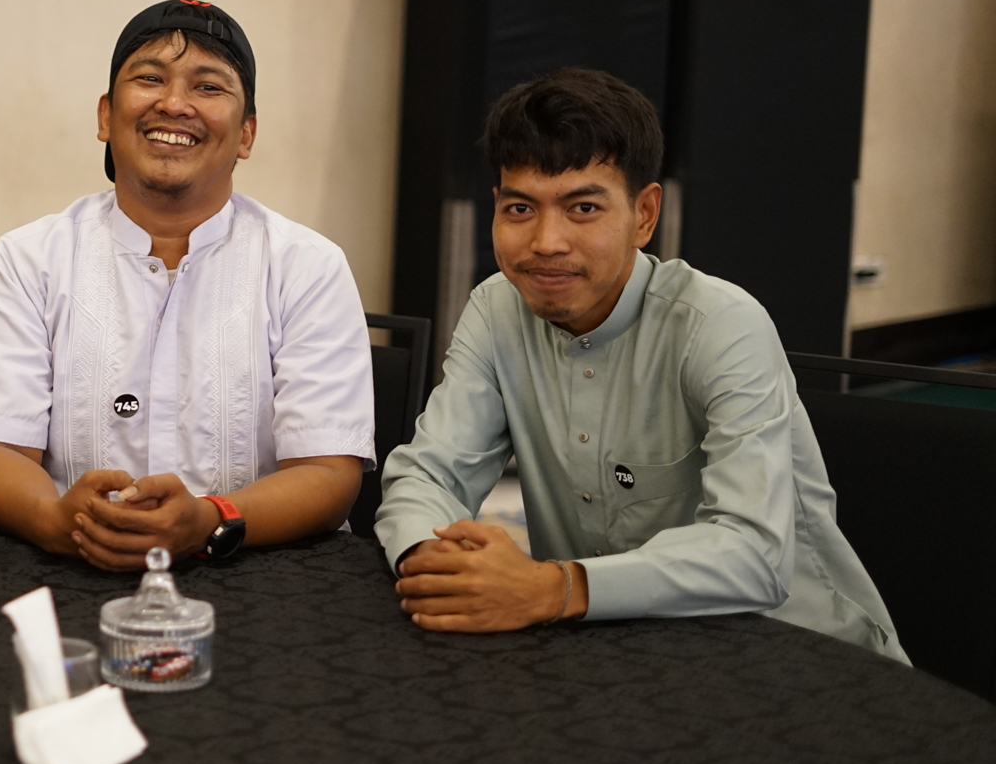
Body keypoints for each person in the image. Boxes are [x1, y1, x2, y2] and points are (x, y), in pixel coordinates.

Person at [377, 68, 905, 660]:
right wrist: (433, 559)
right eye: (521, 207)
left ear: (645, 215)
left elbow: (755, 556)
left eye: (583, 207)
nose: (546, 241)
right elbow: (428, 475)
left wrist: (555, 587)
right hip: (613, 647)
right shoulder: (497, 307)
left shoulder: (721, 324)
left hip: (797, 650)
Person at [0, 0, 375, 569]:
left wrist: (209, 520)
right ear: (106, 116)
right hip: (72, 570)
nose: (174, 104)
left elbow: (328, 473)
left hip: (259, 577)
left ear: (246, 134)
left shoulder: (307, 266)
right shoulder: (30, 258)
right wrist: (56, 522)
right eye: (150, 79)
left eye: (208, 87)